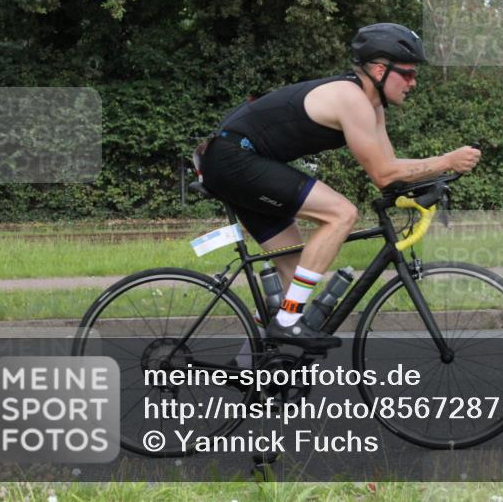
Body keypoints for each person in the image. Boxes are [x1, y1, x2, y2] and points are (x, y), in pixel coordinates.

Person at [198, 23, 481, 350]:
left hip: (238, 160)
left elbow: (390, 168)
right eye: (407, 73)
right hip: (235, 159)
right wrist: (446, 161)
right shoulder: (352, 99)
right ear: (379, 69)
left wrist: (428, 183)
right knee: (342, 214)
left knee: (295, 276)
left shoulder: (372, 107)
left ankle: (252, 368)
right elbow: (384, 175)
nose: (413, 82)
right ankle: (287, 322)